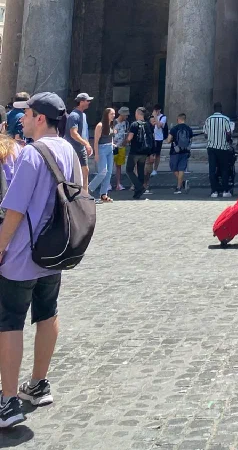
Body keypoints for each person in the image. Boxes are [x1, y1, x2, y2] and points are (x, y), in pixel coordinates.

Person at [0, 93, 76, 427]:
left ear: (40, 118)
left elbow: (15, 209)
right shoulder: (69, 150)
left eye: (28, 114)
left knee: (10, 321)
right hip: (54, 250)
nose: (23, 120)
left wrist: (0, 247)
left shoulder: (32, 153)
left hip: (22, 253)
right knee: (47, 313)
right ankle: (39, 383)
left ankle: (8, 401)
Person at [203, 103, 234, 199]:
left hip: (211, 147)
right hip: (223, 147)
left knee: (212, 169)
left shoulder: (208, 119)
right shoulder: (225, 119)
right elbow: (228, 133)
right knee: (224, 169)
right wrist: (227, 140)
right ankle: (225, 190)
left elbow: (205, 134)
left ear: (214, 109)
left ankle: (214, 191)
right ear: (221, 109)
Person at [66, 93, 93, 192]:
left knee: (85, 171)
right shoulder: (74, 115)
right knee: (74, 173)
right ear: (81, 102)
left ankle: (85, 194)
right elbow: (73, 133)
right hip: (73, 148)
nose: (89, 102)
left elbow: (84, 132)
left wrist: (87, 145)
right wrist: (86, 144)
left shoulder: (83, 115)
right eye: (87, 101)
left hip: (81, 148)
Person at [88, 107, 116, 204]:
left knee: (109, 173)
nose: (113, 116)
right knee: (103, 172)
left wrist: (112, 144)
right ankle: (89, 189)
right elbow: (96, 141)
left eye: (114, 114)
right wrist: (96, 154)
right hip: (102, 149)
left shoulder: (111, 124)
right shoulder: (100, 125)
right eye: (111, 114)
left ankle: (104, 194)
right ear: (106, 115)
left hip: (109, 149)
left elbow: (111, 137)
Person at [126, 107, 155, 200]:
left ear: (137, 114)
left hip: (135, 151)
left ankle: (139, 187)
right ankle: (138, 193)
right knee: (140, 170)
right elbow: (151, 139)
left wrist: (124, 142)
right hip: (144, 152)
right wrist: (151, 153)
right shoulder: (148, 125)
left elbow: (130, 138)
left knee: (129, 170)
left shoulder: (134, 124)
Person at [166, 114, 194, 194]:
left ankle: (182, 183)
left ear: (178, 119)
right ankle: (179, 187)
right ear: (184, 119)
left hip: (175, 151)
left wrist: (172, 140)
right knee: (181, 169)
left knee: (174, 168)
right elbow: (190, 140)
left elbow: (168, 140)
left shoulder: (174, 129)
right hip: (185, 151)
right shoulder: (189, 129)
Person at [112, 107, 130, 191]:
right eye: (126, 115)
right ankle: (108, 183)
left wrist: (125, 141)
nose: (127, 117)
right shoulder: (113, 122)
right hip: (113, 146)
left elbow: (127, 132)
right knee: (110, 165)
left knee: (119, 166)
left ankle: (118, 183)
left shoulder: (126, 123)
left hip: (122, 146)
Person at [149, 105, 167, 176]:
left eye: (157, 110)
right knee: (151, 154)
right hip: (152, 137)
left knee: (157, 154)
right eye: (155, 110)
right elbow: (152, 123)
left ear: (159, 110)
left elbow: (159, 126)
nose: (156, 112)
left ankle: (155, 169)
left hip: (159, 137)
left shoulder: (163, 117)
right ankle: (149, 168)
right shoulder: (151, 116)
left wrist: (156, 117)